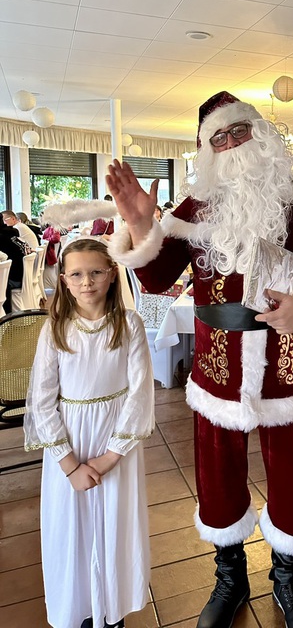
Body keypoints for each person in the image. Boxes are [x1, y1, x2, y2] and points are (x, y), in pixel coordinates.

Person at [106, 91, 293, 628]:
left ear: (260, 134)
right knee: (217, 475)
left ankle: (287, 578)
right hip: (219, 367)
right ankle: (230, 576)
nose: (232, 144)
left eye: (239, 131)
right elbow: (156, 277)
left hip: (287, 363)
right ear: (207, 150)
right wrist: (142, 225)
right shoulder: (196, 208)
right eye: (219, 137)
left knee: (292, 473)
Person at [23, 238, 155, 628]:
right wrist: (70, 465)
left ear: (112, 275)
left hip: (116, 444)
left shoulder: (129, 325)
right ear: (63, 280)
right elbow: (42, 402)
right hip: (70, 445)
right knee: (72, 528)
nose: (87, 282)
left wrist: (110, 456)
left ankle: (111, 608)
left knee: (115, 523)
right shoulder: (55, 330)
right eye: (77, 274)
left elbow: (139, 394)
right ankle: (80, 606)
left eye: (96, 272)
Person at [0, 218, 26, 313]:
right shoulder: (13, 233)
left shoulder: (2, 237)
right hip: (23, 276)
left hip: (14, 280)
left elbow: (4, 257)